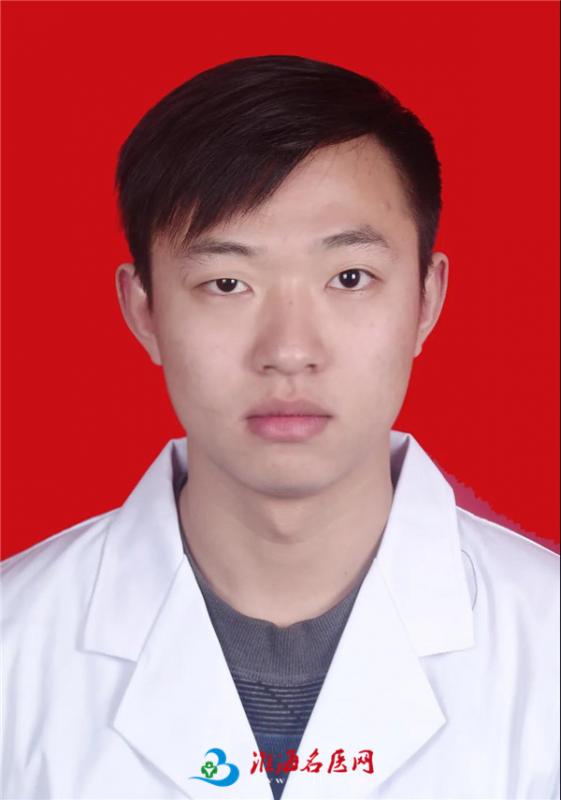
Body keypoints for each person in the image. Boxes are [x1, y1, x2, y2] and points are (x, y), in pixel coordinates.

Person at [1, 55, 559, 800]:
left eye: (349, 278)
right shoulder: (13, 647)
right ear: (144, 310)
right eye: (227, 283)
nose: (290, 351)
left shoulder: (547, 644)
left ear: (426, 299)